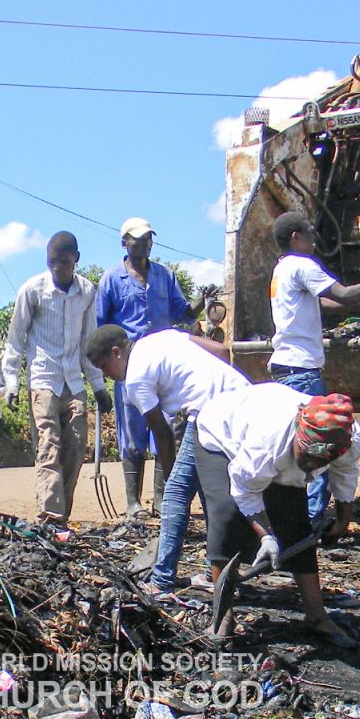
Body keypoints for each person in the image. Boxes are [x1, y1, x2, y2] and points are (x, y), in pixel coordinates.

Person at [194, 384, 360, 647]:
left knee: (296, 525)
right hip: (220, 435)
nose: (311, 469)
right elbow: (244, 492)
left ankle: (316, 616)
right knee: (227, 514)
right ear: (299, 437)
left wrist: (343, 520)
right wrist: (267, 537)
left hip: (272, 449)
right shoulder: (265, 445)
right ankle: (223, 615)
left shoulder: (346, 439)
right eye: (307, 459)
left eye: (320, 464)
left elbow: (345, 473)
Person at [85, 323, 248, 595]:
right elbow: (221, 349)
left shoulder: (135, 380)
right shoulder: (160, 338)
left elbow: (162, 433)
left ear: (116, 353)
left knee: (174, 495)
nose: (107, 375)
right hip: (241, 399)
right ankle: (214, 573)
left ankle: (162, 579)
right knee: (212, 495)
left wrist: (172, 474)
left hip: (209, 414)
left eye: (104, 367)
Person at [267, 211, 360, 528]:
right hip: (302, 369)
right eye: (310, 233)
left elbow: (323, 302)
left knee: (296, 443)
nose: (315, 238)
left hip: (285, 366)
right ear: (296, 237)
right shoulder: (302, 264)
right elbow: (341, 293)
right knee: (320, 442)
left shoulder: (283, 269)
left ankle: (295, 517)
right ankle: (311, 521)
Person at [96, 216, 213, 517]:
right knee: (133, 434)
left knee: (167, 431)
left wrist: (202, 302)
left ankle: (162, 498)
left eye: (149, 238)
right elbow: (101, 328)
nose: (145, 243)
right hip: (129, 368)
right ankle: (133, 502)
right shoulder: (111, 280)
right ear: (125, 242)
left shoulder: (164, 276)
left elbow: (183, 313)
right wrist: (101, 371)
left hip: (164, 366)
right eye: (138, 238)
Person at [3, 232, 111, 524]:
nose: (57, 269)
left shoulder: (88, 292)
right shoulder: (33, 290)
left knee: (76, 448)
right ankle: (50, 517)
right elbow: (16, 340)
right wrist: (11, 382)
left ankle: (62, 516)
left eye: (63, 262)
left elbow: (88, 341)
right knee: (49, 446)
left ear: (76, 259)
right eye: (52, 262)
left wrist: (99, 386)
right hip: (43, 379)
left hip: (74, 382)